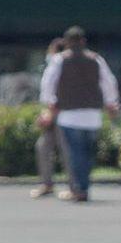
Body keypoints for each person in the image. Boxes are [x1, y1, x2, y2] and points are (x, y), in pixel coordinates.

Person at [38, 26, 120, 202]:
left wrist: (50, 103)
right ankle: (83, 185)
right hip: (92, 115)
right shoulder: (96, 59)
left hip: (69, 116)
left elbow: (48, 82)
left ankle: (79, 189)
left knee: (75, 154)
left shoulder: (60, 60)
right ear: (83, 41)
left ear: (66, 42)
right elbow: (108, 82)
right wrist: (111, 103)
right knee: (87, 154)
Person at [31, 39, 73, 199]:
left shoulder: (64, 67)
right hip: (52, 113)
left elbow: (61, 93)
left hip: (62, 115)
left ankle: (72, 186)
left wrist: (51, 114)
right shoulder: (53, 67)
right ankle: (47, 184)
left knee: (65, 151)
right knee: (43, 147)